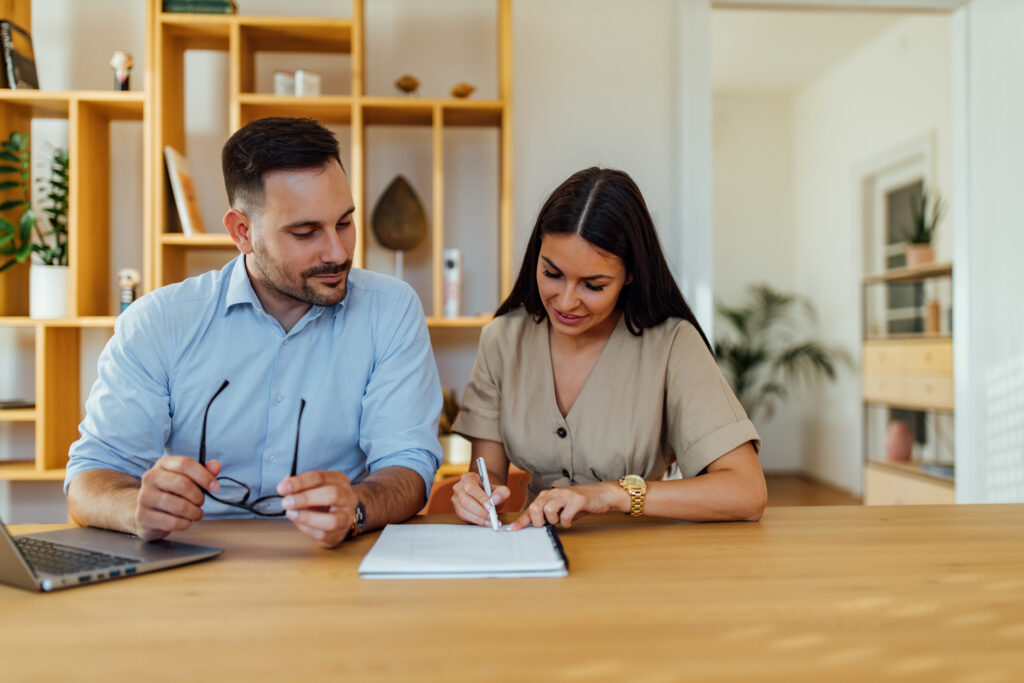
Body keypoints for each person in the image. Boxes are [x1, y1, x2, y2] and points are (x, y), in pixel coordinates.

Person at [66, 117, 442, 548]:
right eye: (305, 232)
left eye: (344, 222)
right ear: (242, 232)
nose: (338, 252)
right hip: (193, 567)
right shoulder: (159, 322)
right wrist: (135, 508)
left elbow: (408, 467)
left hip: (339, 560)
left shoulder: (390, 310)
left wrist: (356, 507)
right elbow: (89, 478)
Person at [451, 167, 766, 530]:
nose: (566, 302)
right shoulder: (501, 341)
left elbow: (747, 492)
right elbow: (490, 471)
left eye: (593, 285)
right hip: (534, 552)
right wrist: (478, 492)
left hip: (638, 562)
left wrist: (611, 494)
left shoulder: (673, 345)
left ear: (630, 274)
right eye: (552, 274)